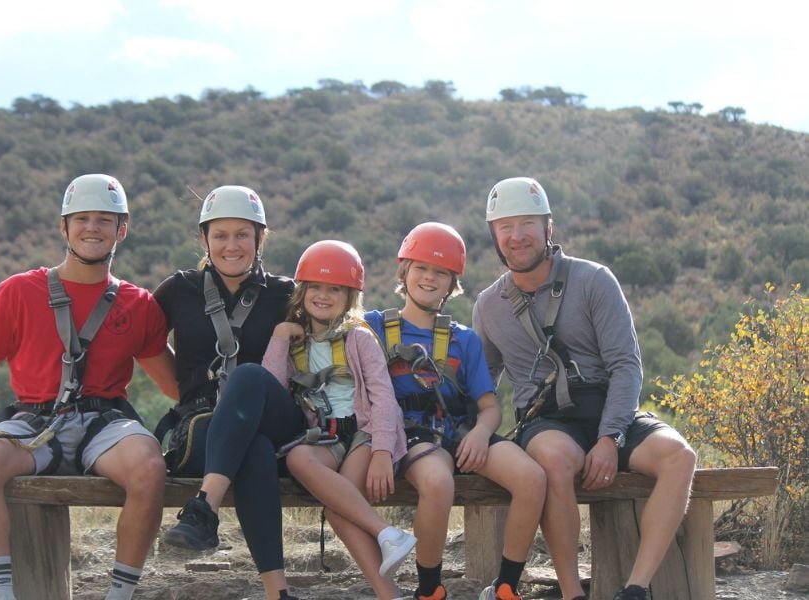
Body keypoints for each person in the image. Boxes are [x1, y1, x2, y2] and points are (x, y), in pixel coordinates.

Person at [0, 173, 179, 600]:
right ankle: (1, 594)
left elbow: (173, 384)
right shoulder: (19, 291)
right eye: (83, 218)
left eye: (104, 220)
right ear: (64, 227)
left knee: (149, 467)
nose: (93, 228)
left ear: (121, 230)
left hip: (104, 423)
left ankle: (119, 594)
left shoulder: (139, 304)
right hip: (34, 420)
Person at [472, 177, 697, 600]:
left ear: (548, 229)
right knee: (555, 459)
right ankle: (574, 593)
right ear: (495, 236)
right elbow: (484, 384)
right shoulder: (488, 306)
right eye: (505, 227)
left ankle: (636, 588)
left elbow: (626, 365)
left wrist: (611, 437)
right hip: (547, 421)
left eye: (527, 224)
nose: (517, 236)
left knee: (679, 457)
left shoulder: (594, 280)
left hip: (609, 409)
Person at [365, 222, 547, 600]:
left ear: (452, 283)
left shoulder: (463, 339)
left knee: (531, 478)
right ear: (404, 271)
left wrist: (481, 434)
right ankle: (430, 590)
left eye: (441, 273)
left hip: (459, 431)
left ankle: (506, 587)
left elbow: (488, 406)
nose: (429, 279)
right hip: (409, 433)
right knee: (438, 482)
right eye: (421, 269)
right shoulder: (376, 328)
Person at [156, 185, 305, 600]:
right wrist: (185, 390)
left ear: (261, 238)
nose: (231, 245)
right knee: (251, 448)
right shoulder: (179, 290)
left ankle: (204, 507)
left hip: (276, 418)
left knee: (249, 378)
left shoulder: (286, 293)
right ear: (204, 239)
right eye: (220, 235)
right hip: (206, 426)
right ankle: (279, 591)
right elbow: (143, 345)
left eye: (243, 234)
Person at [266, 240, 415, 600]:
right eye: (315, 287)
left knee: (339, 511)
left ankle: (388, 591)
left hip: (364, 435)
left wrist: (382, 451)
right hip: (326, 439)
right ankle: (385, 535)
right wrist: (280, 336)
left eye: (335, 289)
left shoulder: (359, 338)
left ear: (349, 296)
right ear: (301, 292)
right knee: (299, 457)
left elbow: (382, 396)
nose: (323, 295)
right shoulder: (297, 343)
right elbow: (269, 387)